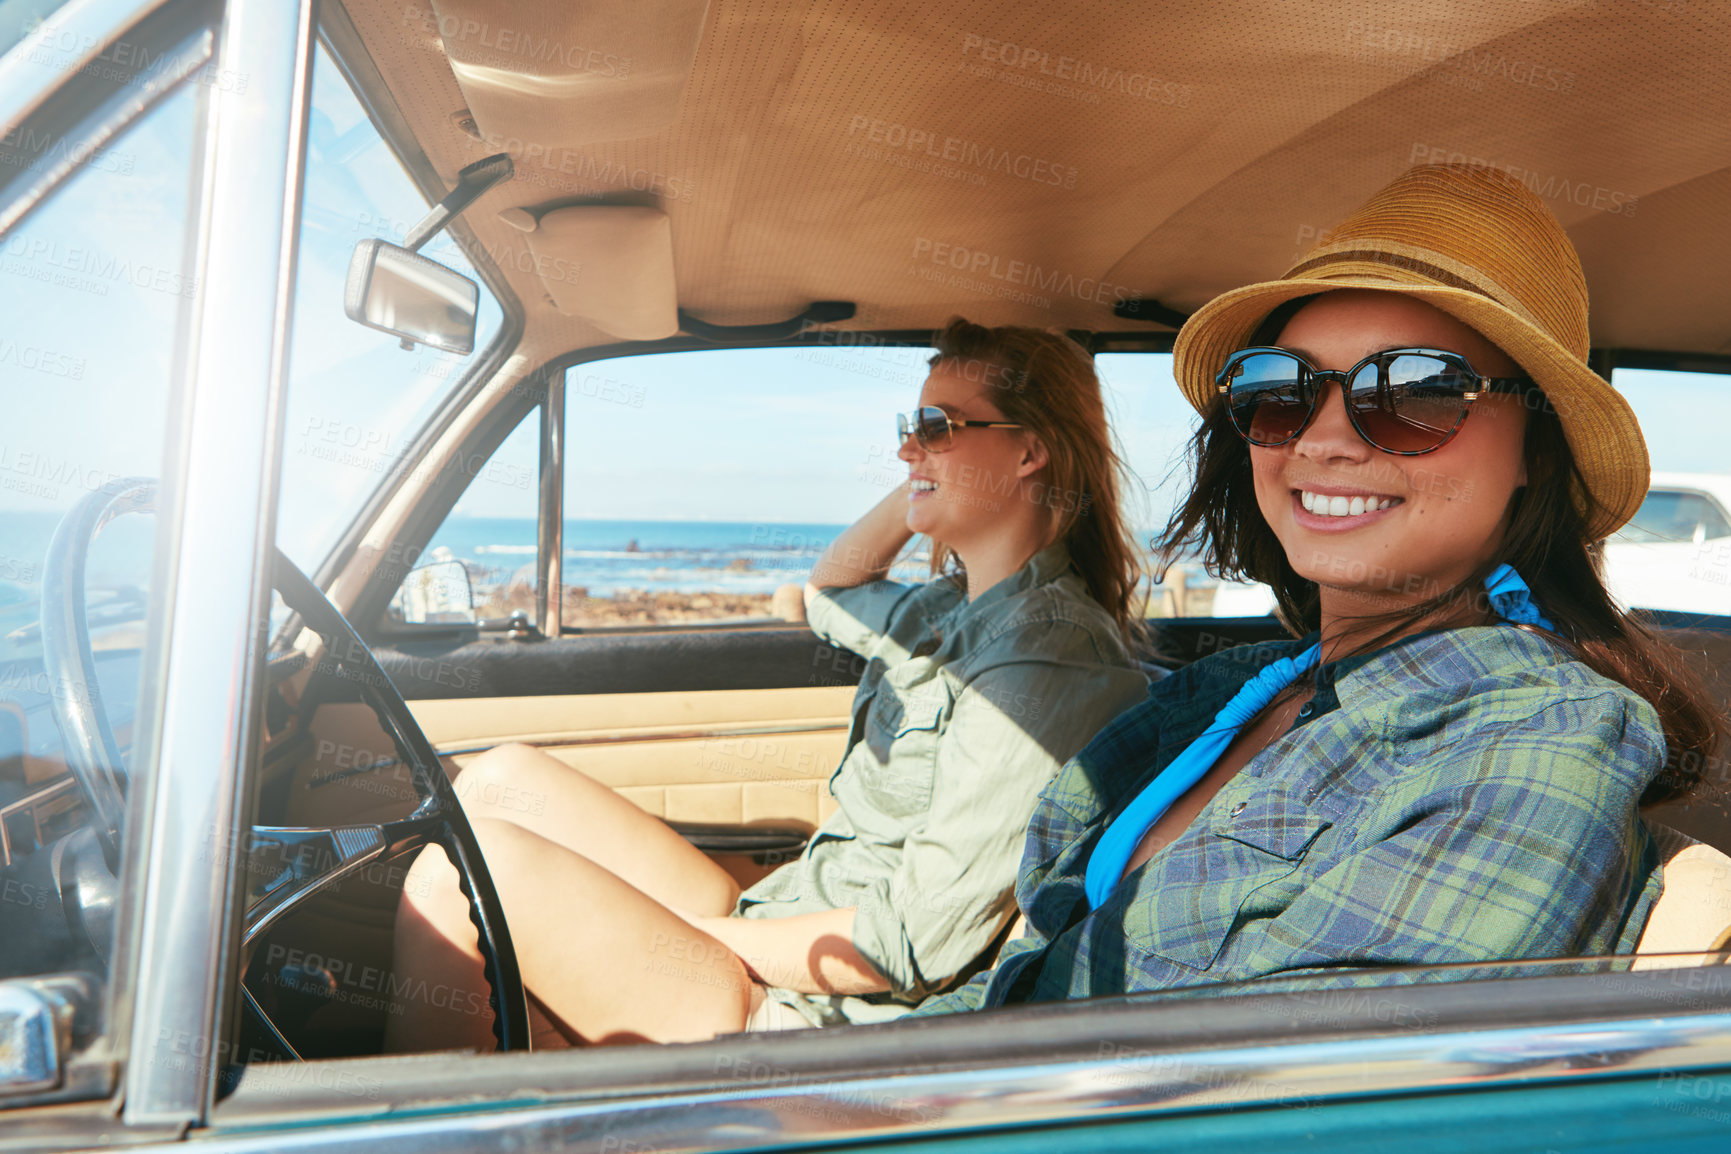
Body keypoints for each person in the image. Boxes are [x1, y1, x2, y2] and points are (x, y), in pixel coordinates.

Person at [916, 164, 1729, 1016]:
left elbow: (1281, 1091)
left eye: (1417, 392)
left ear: (1535, 449)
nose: (1324, 437)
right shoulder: (1212, 695)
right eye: (1281, 390)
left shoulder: (1541, 739)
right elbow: (1027, 970)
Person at [386, 319, 1151, 1048]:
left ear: (1030, 454)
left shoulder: (1050, 654)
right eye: (905, 427)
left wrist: (697, 942)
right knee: (501, 779)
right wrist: (932, 469)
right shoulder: (943, 608)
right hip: (791, 911)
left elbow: (913, 944)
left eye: (939, 424)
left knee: (455, 877)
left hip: (825, 1008)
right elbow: (830, 591)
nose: (905, 450)